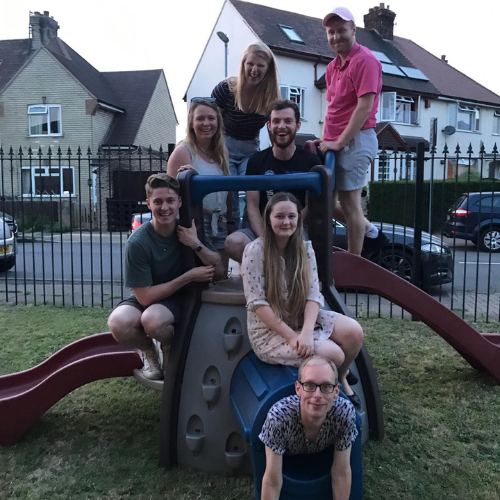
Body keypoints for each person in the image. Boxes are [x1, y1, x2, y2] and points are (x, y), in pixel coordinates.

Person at [241, 192, 364, 405]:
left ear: (299, 218)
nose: (286, 222)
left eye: (291, 216)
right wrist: (292, 337)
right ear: (268, 219)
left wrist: (306, 332)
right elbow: (257, 304)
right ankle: (336, 382)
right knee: (334, 354)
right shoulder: (255, 251)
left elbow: (313, 294)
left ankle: (341, 375)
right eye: (279, 216)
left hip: (299, 318)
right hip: (270, 332)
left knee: (354, 332)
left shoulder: (304, 249)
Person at [108, 173, 225, 380]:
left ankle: (169, 346)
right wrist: (188, 276)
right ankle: (149, 351)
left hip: (179, 299)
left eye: (170, 200)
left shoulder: (188, 229)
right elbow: (144, 297)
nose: (165, 208)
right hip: (150, 295)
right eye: (158, 202)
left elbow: (219, 270)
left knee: (152, 320)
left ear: (179, 202)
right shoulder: (138, 242)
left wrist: (195, 243)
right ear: (148, 204)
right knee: (118, 323)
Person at [317, 7, 388, 256]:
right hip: (334, 142)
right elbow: (334, 108)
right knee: (326, 203)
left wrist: (340, 142)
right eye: (331, 32)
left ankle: (354, 261)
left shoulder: (365, 61)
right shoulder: (332, 67)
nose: (336, 36)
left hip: (355, 140)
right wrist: (325, 139)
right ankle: (372, 233)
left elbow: (364, 107)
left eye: (341, 30)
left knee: (350, 205)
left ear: (354, 30)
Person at [224, 99, 321, 263]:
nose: (281, 126)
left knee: (303, 250)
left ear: (297, 126)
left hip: (295, 228)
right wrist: (266, 240)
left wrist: (287, 229)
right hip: (263, 228)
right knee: (233, 243)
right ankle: (263, 269)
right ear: (269, 125)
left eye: (288, 121)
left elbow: (310, 206)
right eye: (276, 121)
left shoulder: (311, 162)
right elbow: (252, 206)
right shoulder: (256, 161)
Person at [259, 356, 357, 500]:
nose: (317, 395)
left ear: (336, 391)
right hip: (288, 457)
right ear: (298, 389)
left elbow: (341, 472)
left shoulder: (344, 413)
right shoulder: (279, 417)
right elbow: (272, 480)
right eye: (310, 385)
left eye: (326, 387)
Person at [212, 42, 280, 230]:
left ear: (268, 69)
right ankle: (230, 232)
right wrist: (213, 150)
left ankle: (250, 231)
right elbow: (212, 121)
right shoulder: (226, 89)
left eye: (260, 65)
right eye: (250, 64)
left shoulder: (271, 97)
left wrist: (276, 157)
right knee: (230, 191)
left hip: (251, 147)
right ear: (243, 64)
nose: (254, 70)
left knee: (254, 187)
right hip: (225, 144)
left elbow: (273, 130)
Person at [167, 97, 230, 272]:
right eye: (200, 118)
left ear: (218, 121)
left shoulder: (222, 151)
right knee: (215, 272)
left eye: (211, 118)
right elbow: (170, 194)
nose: (206, 123)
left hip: (221, 221)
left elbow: (226, 190)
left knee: (221, 275)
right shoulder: (183, 151)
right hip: (196, 222)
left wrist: (231, 222)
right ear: (191, 123)